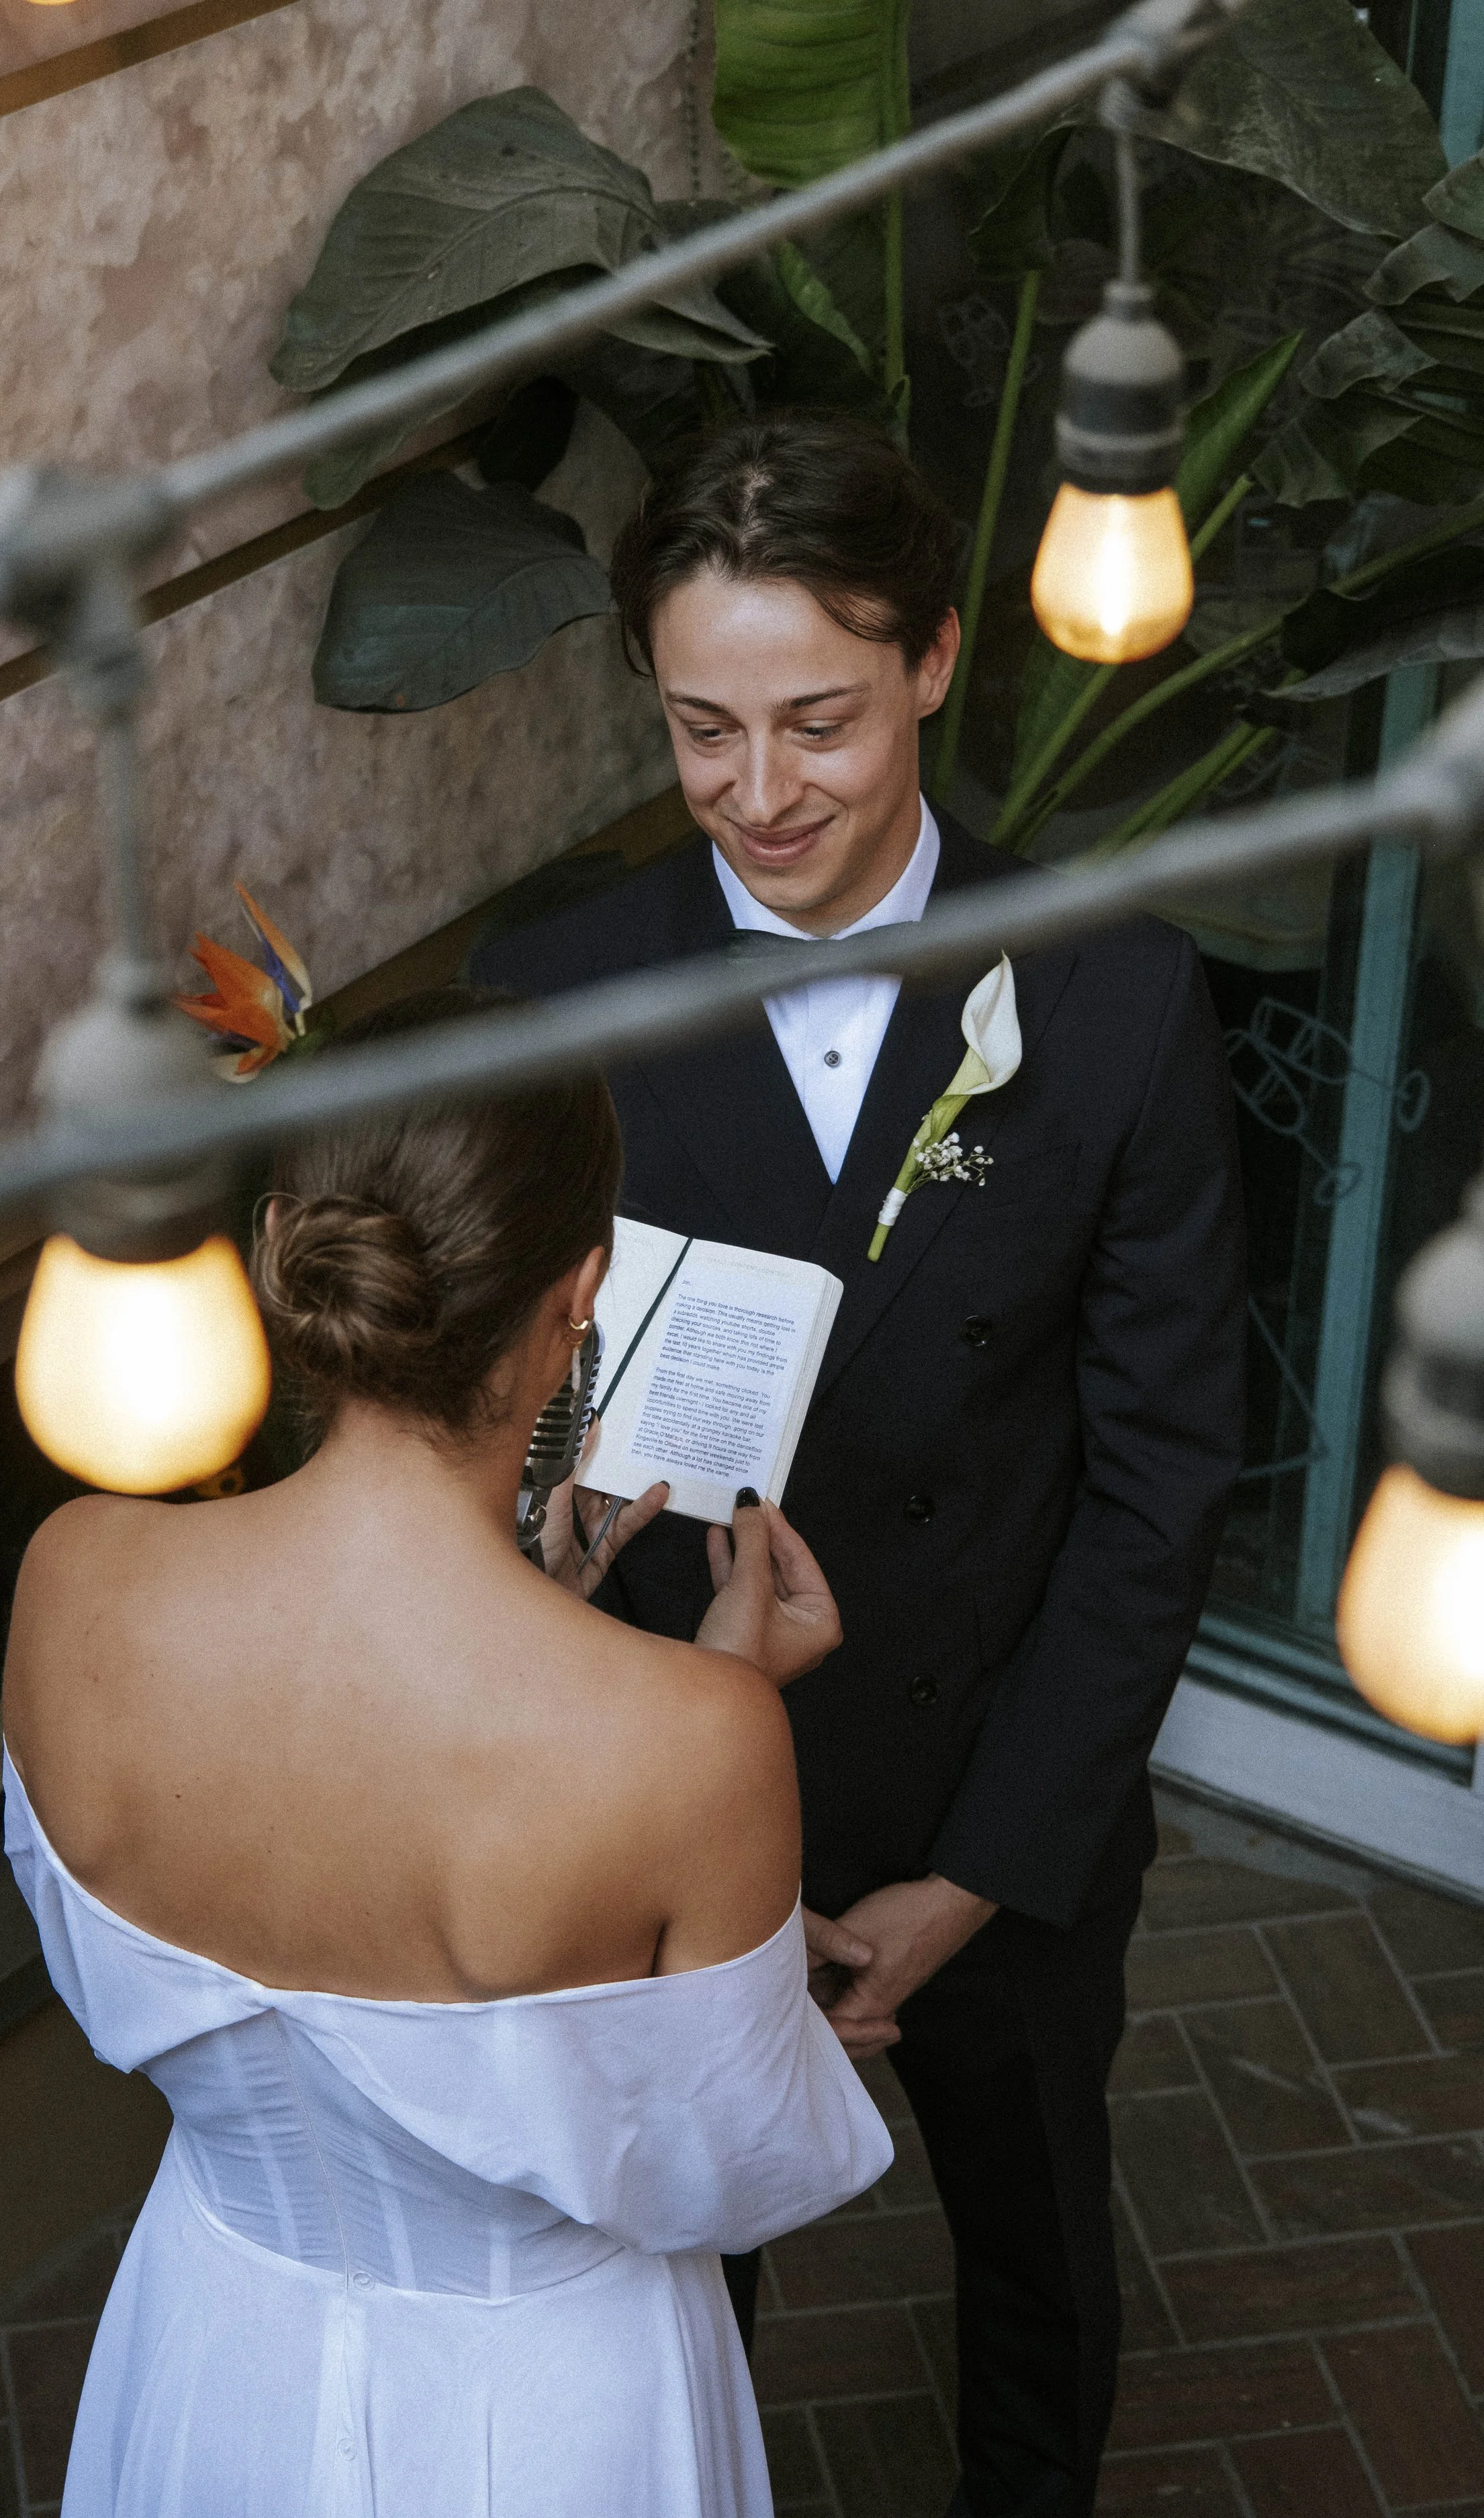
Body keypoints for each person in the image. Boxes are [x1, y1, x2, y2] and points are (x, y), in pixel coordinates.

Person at [475, 410, 1248, 2518]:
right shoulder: (545, 1003)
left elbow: (1163, 1469)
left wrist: (979, 1869)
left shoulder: (1110, 992)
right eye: (698, 729)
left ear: (928, 662)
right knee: (665, 2299)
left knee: (1038, 2262)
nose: (754, 794)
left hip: (997, 1795)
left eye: (813, 721)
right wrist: (548, 1532)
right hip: (659, 1813)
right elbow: (484, 1430)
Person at [1, 990, 893, 2518]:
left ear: (288, 1244)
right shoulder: (691, 1738)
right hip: (557, 2405)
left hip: (221, 2335)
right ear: (581, 1295)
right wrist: (700, 1703)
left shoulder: (73, 1577)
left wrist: (566, 1640)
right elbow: (734, 2175)